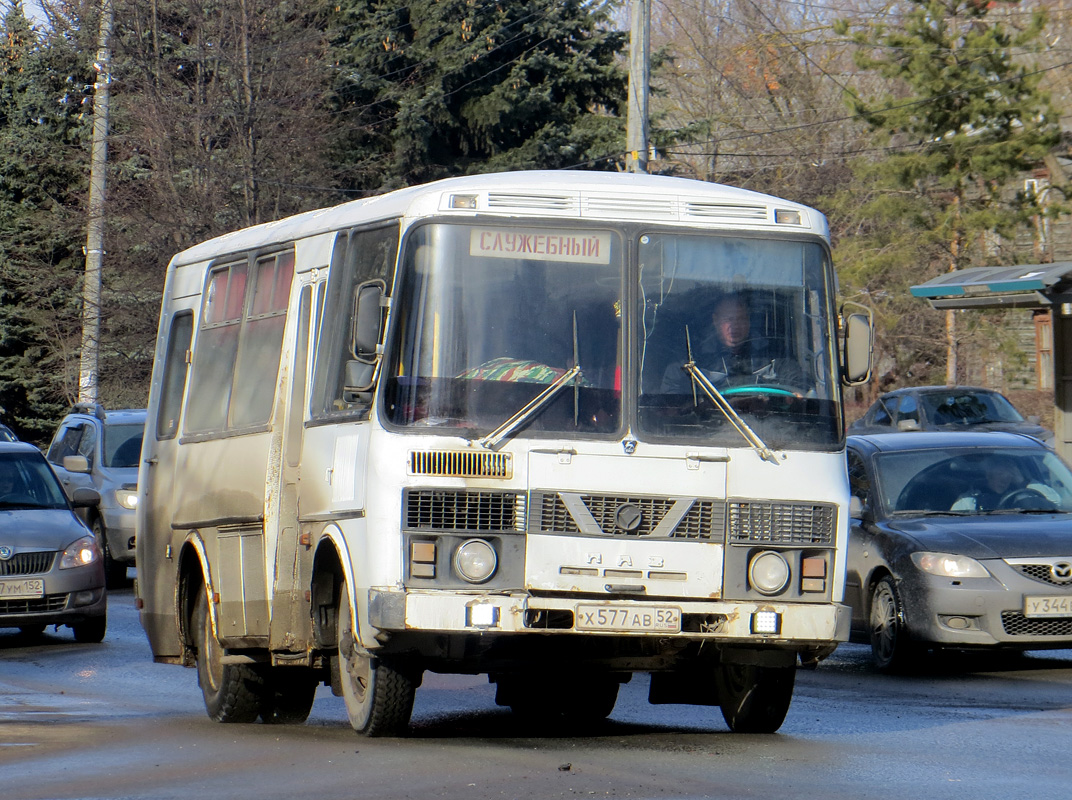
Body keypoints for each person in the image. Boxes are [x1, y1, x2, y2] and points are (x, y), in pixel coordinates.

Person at [660, 293, 804, 393]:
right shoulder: (694, 357)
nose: (735, 326)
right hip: (708, 428)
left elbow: (798, 383)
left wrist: (797, 393)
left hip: (766, 427)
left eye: (741, 319)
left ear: (749, 321)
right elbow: (672, 397)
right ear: (715, 321)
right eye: (728, 319)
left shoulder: (773, 353)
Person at [951, 460, 1024, 511]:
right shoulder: (968, 500)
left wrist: (1022, 482)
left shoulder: (1019, 497)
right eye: (999, 474)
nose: (1004, 481)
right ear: (989, 475)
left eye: (1008, 477)